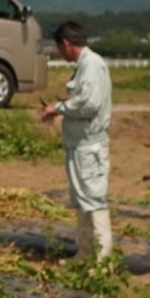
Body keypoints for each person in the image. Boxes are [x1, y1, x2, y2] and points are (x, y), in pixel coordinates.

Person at [41, 21, 113, 258]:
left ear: (67, 44)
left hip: (89, 146)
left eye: (59, 48)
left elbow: (89, 103)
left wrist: (60, 107)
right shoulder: (84, 66)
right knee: (82, 201)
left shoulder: (92, 66)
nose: (60, 53)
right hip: (79, 145)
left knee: (94, 200)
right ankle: (85, 253)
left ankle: (102, 260)